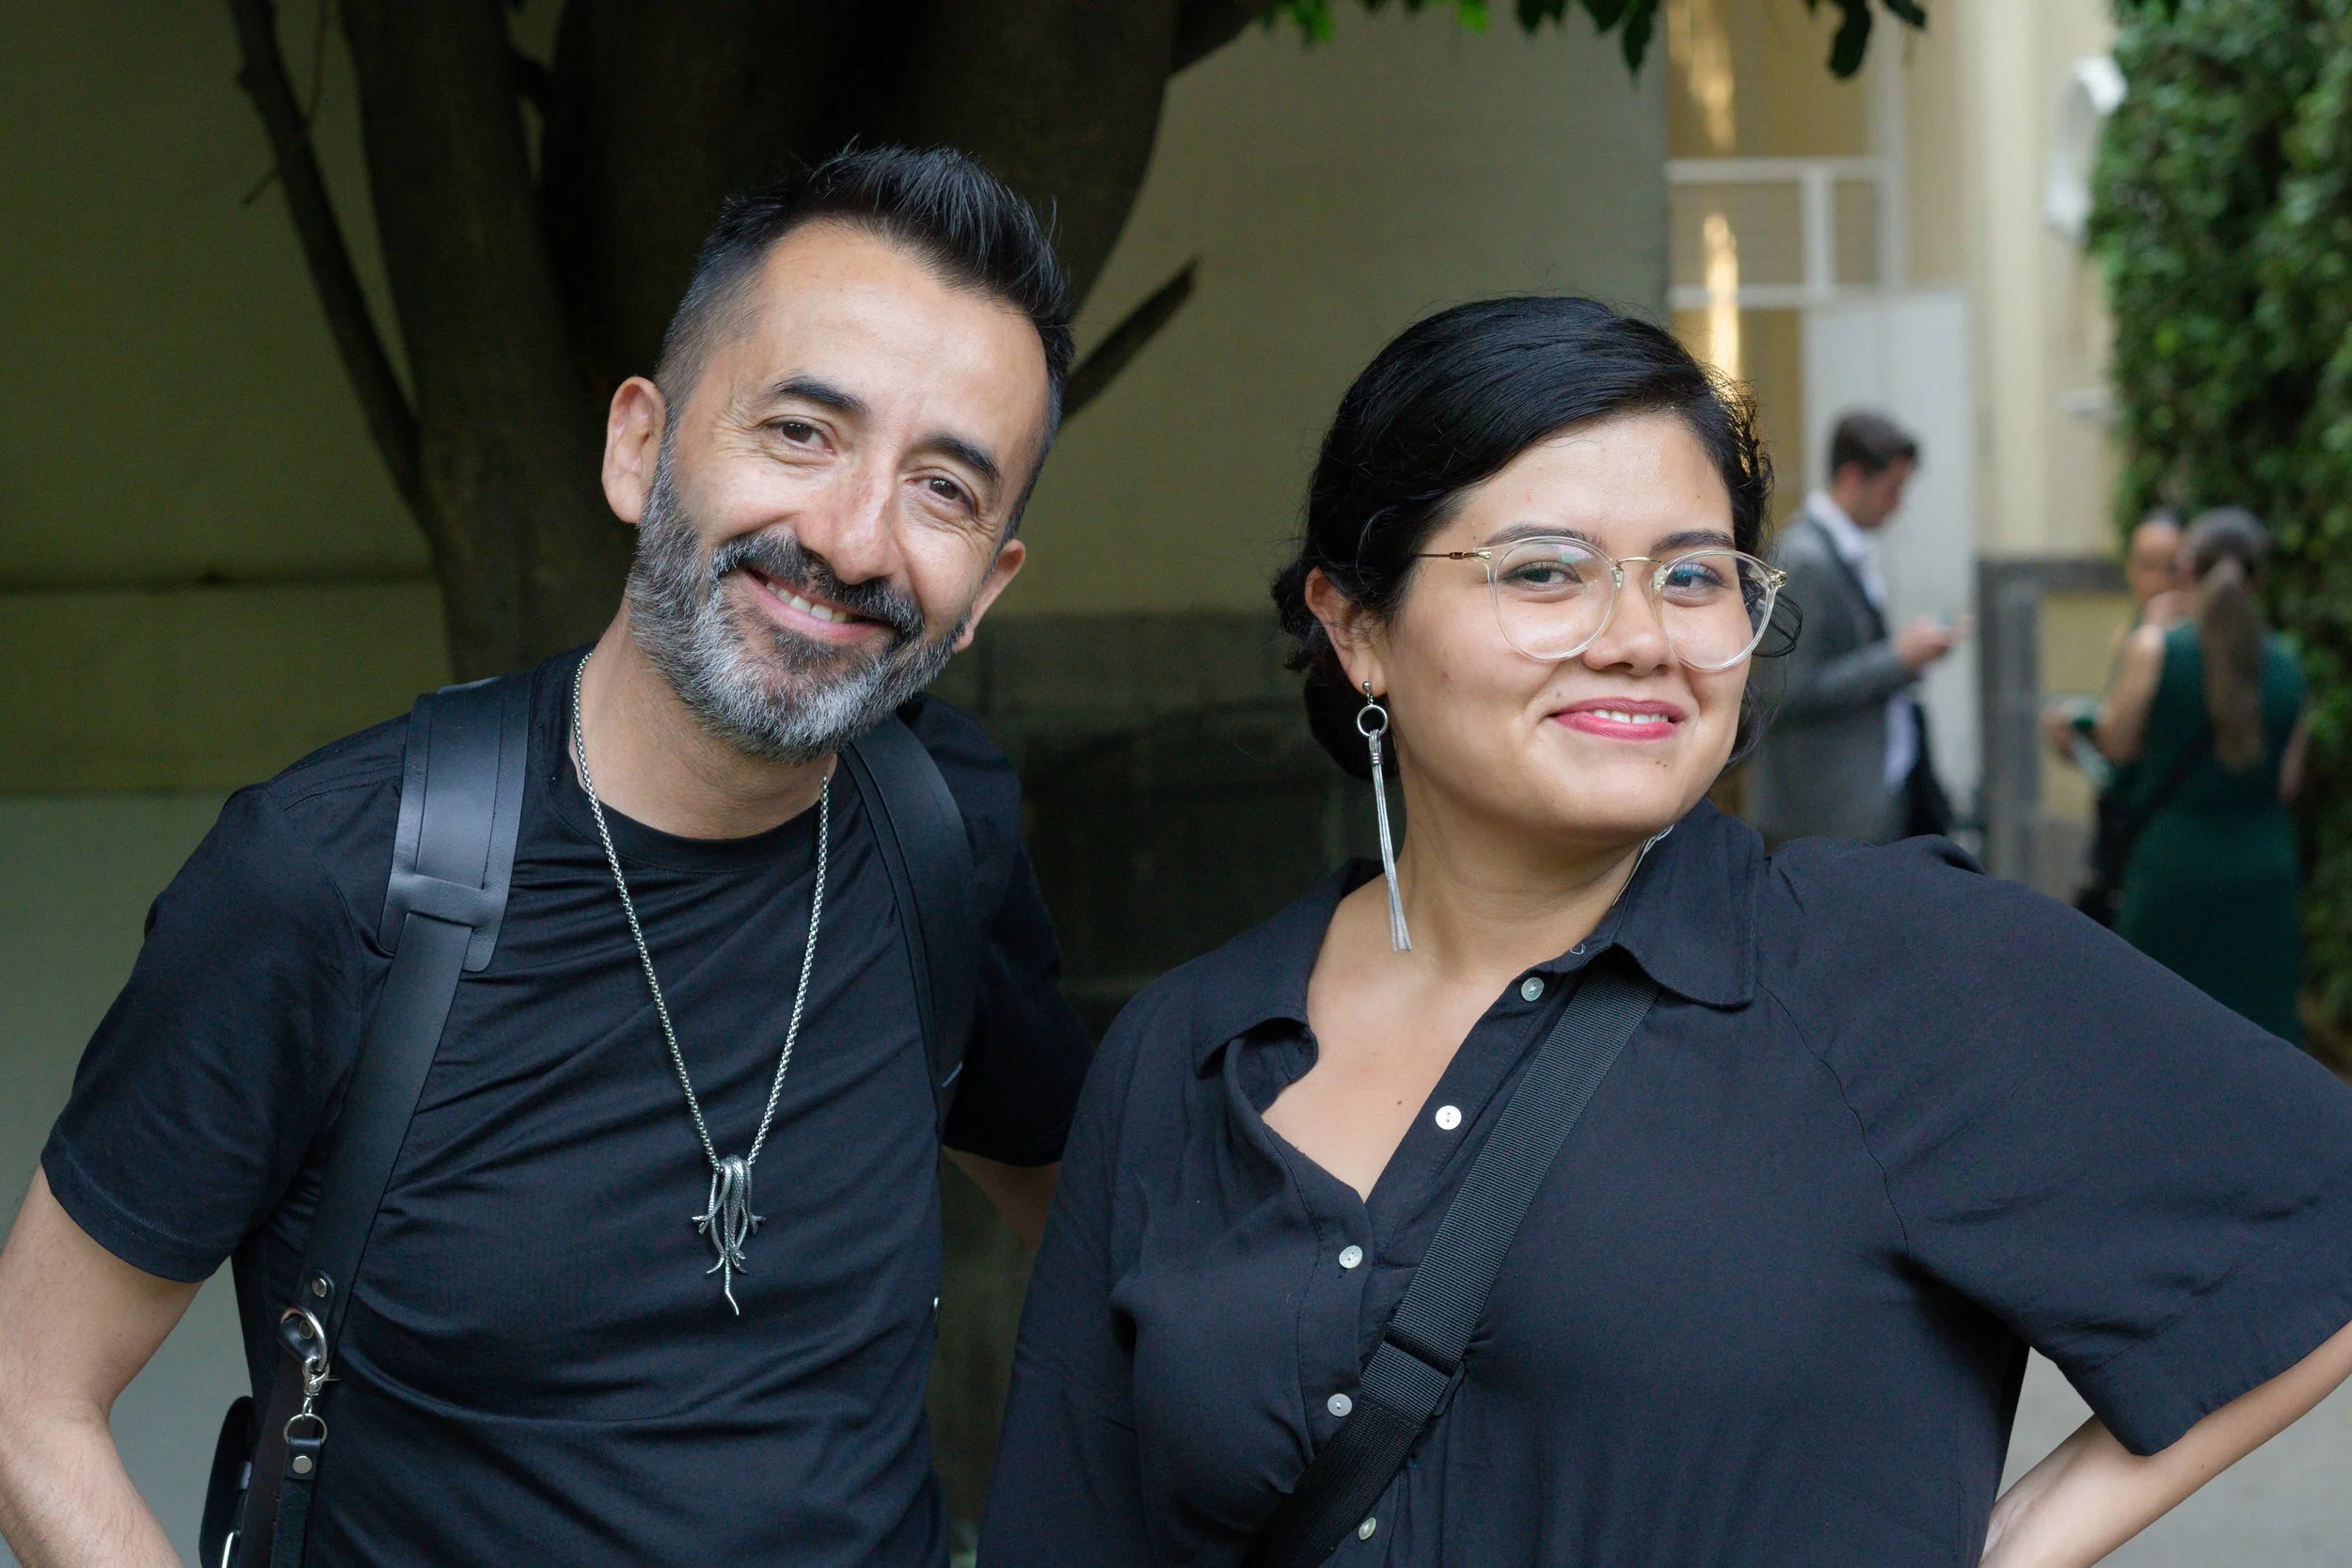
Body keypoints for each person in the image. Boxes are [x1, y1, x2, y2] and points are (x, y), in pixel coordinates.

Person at [980, 298, 2352, 1567]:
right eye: (1545, 570)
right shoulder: (1190, 1048)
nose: (1643, 637)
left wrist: (2011, 1545)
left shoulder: (1888, 963)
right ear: (1357, 628)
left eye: (1695, 576)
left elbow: (2318, 1225)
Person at [0, 147, 1093, 1566]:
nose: (853, 536)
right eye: (801, 432)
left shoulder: (944, 832)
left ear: (992, 579)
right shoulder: (330, 881)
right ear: (639, 446)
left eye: (945, 488)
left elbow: (1107, 1242)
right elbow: (31, 1389)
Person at [2090, 507, 2310, 1041]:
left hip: (2175, 868)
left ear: (2187, 570)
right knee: (2259, 1039)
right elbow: (2288, 783)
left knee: (2156, 1034)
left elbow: (2116, 744)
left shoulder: (2156, 649)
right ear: (2258, 578)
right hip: (2264, 874)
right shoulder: (2288, 665)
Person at [1748, 410, 1968, 845]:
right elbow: (1784, 689)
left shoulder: (1839, 548)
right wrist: (1899, 658)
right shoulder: (1804, 557)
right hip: (1823, 812)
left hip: (1861, 799)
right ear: (1852, 478)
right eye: (1892, 490)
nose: (1898, 506)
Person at [2040, 507, 2187, 923]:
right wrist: (2077, 740)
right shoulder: (2133, 634)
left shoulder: (2175, 643)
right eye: (2145, 564)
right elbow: (2114, 743)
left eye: (2171, 566)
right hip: (2120, 829)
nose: (2158, 579)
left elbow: (2124, 746)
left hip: (2163, 835)